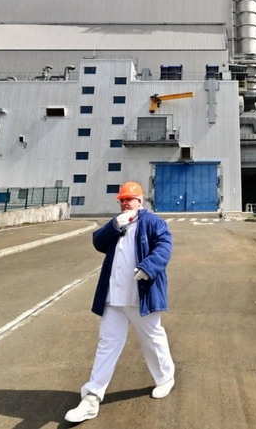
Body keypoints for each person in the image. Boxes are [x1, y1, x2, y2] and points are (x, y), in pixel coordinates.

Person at [65, 181, 176, 424]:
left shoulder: (153, 222)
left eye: (129, 199)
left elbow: (164, 246)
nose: (125, 203)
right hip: (113, 299)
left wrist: (149, 267)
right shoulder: (118, 223)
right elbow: (98, 242)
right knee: (107, 345)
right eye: (122, 200)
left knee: (152, 340)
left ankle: (165, 378)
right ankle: (92, 397)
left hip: (141, 297)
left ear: (140, 200)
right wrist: (114, 226)